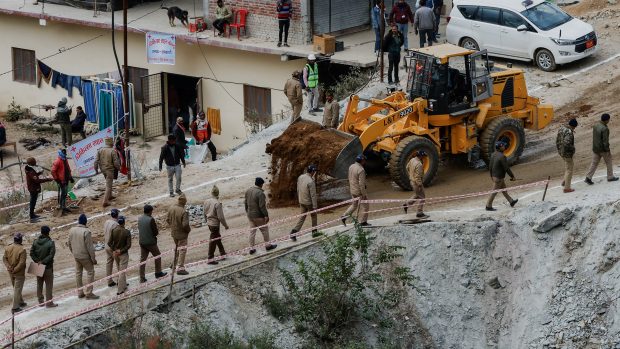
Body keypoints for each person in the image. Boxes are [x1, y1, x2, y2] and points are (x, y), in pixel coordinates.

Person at [68, 214, 99, 300]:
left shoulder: (72, 230)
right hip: (85, 256)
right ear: (85, 222)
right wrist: (93, 259)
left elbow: (69, 244)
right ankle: (89, 293)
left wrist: (73, 252)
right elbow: (90, 247)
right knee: (90, 272)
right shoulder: (86, 231)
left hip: (76, 256)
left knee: (78, 273)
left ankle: (80, 292)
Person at [245, 177, 277, 254]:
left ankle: (251, 248)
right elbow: (262, 206)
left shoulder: (248, 191)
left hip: (250, 216)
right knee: (264, 230)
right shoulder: (260, 193)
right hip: (258, 216)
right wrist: (266, 215)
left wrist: (247, 212)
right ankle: (268, 246)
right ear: (261, 184)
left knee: (252, 232)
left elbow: (245, 203)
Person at [585, 113, 618, 184]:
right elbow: (605, 141)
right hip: (603, 149)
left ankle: (588, 177)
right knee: (609, 162)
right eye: (608, 120)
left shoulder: (596, 125)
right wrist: (607, 150)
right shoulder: (605, 129)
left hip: (595, 148)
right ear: (606, 120)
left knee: (594, 163)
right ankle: (610, 177)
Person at [290, 165, 320, 241]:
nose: (315, 173)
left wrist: (299, 199)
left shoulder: (301, 177)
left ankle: (294, 232)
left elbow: (298, 189)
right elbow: (313, 195)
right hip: (308, 202)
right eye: (314, 171)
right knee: (314, 216)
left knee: (302, 217)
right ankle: (314, 232)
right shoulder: (311, 181)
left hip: (301, 200)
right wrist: (315, 207)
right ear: (312, 172)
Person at [486, 142, 518, 211]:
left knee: (504, 190)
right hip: (499, 178)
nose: (504, 146)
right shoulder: (502, 156)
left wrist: (491, 176)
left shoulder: (493, 154)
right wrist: (512, 176)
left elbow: (490, 166)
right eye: (503, 146)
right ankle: (488, 206)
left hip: (495, 176)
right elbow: (506, 168)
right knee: (494, 192)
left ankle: (511, 201)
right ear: (500, 147)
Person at [138, 204, 167, 283]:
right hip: (150, 242)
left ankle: (142, 277)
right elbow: (155, 232)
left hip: (142, 242)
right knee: (157, 256)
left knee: (143, 260)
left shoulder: (140, 218)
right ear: (150, 211)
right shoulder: (151, 219)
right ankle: (158, 272)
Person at [30, 226, 57, 307]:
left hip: (37, 265)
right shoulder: (51, 242)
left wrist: (37, 261)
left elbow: (31, 253)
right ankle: (49, 303)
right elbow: (51, 255)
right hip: (47, 266)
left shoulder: (35, 242)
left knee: (39, 284)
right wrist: (43, 262)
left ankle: (40, 302)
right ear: (48, 232)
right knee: (49, 285)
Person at [341, 155, 370, 226]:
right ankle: (363, 222)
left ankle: (344, 216)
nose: (365, 161)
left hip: (352, 190)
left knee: (354, 205)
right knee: (366, 206)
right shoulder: (361, 170)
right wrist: (363, 194)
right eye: (364, 160)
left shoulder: (351, 166)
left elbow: (349, 178)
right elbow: (361, 184)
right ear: (362, 161)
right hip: (359, 191)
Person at [203, 185, 229, 265]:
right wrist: (225, 225)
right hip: (215, 224)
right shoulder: (217, 203)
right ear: (218, 193)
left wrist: (207, 221)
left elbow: (204, 213)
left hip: (209, 223)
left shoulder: (206, 201)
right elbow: (221, 217)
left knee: (217, 238)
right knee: (213, 241)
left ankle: (223, 253)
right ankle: (210, 258)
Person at [167, 194, 191, 275]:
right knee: (182, 250)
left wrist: (173, 227)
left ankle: (173, 264)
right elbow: (185, 225)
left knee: (177, 248)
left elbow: (167, 220)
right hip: (182, 234)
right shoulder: (184, 211)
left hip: (174, 233)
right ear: (184, 202)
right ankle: (180, 267)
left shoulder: (171, 208)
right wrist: (188, 230)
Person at [94, 137, 121, 208]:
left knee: (109, 182)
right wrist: (119, 169)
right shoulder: (112, 151)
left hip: (103, 170)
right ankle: (105, 201)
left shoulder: (100, 150)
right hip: (109, 170)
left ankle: (110, 196)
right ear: (111, 143)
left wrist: (96, 170)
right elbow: (116, 162)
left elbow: (96, 161)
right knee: (108, 185)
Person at [3, 233, 27, 312]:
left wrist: (9, 267)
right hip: (18, 273)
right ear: (20, 240)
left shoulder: (8, 247)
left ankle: (20, 302)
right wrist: (15, 270)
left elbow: (4, 259)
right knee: (17, 289)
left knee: (16, 288)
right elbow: (21, 263)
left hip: (11, 272)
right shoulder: (22, 249)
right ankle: (15, 307)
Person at [24, 157, 53, 222]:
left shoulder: (29, 169)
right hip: (33, 188)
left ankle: (32, 214)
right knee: (33, 202)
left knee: (33, 201)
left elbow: (35, 176)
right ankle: (32, 215)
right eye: (34, 161)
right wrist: (48, 179)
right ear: (32, 163)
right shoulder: (31, 171)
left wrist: (39, 173)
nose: (35, 162)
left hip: (33, 187)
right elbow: (37, 180)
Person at [108, 216, 131, 295]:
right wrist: (121, 251)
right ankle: (120, 289)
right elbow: (128, 245)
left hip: (115, 253)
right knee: (122, 272)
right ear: (124, 222)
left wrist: (114, 250)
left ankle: (123, 285)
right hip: (123, 254)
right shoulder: (126, 232)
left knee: (119, 270)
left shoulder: (113, 230)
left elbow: (109, 243)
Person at [403, 151, 429, 218]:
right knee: (422, 197)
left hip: (412, 181)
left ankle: (406, 204)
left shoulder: (412, 159)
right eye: (423, 156)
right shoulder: (419, 164)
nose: (424, 158)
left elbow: (407, 167)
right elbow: (417, 177)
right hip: (416, 183)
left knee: (417, 195)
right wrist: (420, 185)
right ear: (421, 156)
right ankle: (419, 213)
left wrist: (411, 175)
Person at [556, 118, 578, 193]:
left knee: (567, 166)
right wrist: (573, 149)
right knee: (569, 169)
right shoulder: (569, 132)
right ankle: (567, 188)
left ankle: (565, 181)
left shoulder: (562, 128)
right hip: (567, 153)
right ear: (573, 126)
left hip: (561, 151)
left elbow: (558, 140)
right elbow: (567, 143)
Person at [51, 148, 73, 214]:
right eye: (64, 154)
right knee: (63, 193)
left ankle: (63, 206)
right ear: (61, 153)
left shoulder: (65, 159)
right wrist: (57, 179)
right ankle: (62, 206)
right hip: (61, 180)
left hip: (66, 179)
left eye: (65, 154)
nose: (64, 155)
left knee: (65, 193)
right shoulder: (57, 161)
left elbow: (68, 168)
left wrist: (70, 177)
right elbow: (53, 171)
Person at [103, 208, 120, 287]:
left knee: (109, 263)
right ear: (117, 215)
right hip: (113, 247)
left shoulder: (107, 222)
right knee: (119, 263)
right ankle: (121, 281)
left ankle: (109, 281)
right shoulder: (116, 224)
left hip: (106, 245)